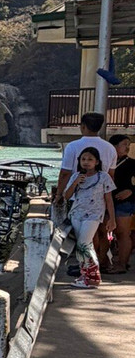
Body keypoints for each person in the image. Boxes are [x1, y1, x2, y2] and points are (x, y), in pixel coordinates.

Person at [55, 112, 118, 268]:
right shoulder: (110, 148)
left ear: (82, 126)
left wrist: (59, 195)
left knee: (85, 237)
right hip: (101, 197)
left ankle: (89, 266)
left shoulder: (73, 146)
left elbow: (65, 173)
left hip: (79, 198)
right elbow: (111, 175)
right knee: (101, 231)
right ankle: (100, 262)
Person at [63, 146, 116, 288]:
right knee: (86, 246)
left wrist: (112, 219)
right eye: (83, 159)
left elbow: (109, 199)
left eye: (90, 159)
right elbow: (67, 196)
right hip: (77, 213)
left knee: (83, 244)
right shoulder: (76, 176)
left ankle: (93, 277)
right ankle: (86, 275)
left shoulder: (103, 177)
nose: (86, 162)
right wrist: (75, 183)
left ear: (97, 162)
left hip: (94, 215)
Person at [107, 134, 134, 273]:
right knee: (104, 232)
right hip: (106, 201)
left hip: (124, 202)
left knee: (123, 233)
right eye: (124, 144)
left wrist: (131, 191)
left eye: (128, 144)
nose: (128, 147)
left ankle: (122, 264)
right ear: (114, 146)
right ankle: (105, 261)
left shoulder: (131, 163)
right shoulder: (104, 162)